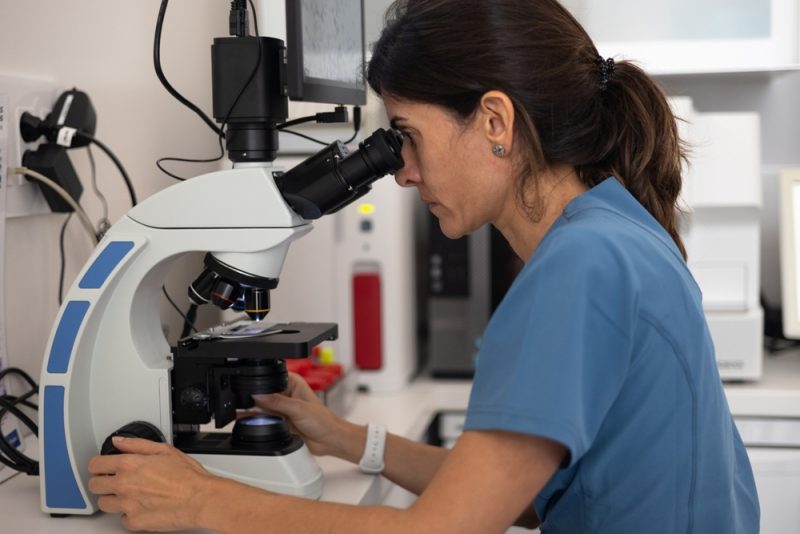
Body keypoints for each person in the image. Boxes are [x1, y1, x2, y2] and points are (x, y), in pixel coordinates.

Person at [87, 0, 760, 532]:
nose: (402, 172)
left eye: (406, 136)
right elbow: (524, 501)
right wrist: (348, 440)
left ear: (495, 121)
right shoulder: (610, 232)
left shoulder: (580, 267)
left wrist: (202, 499)